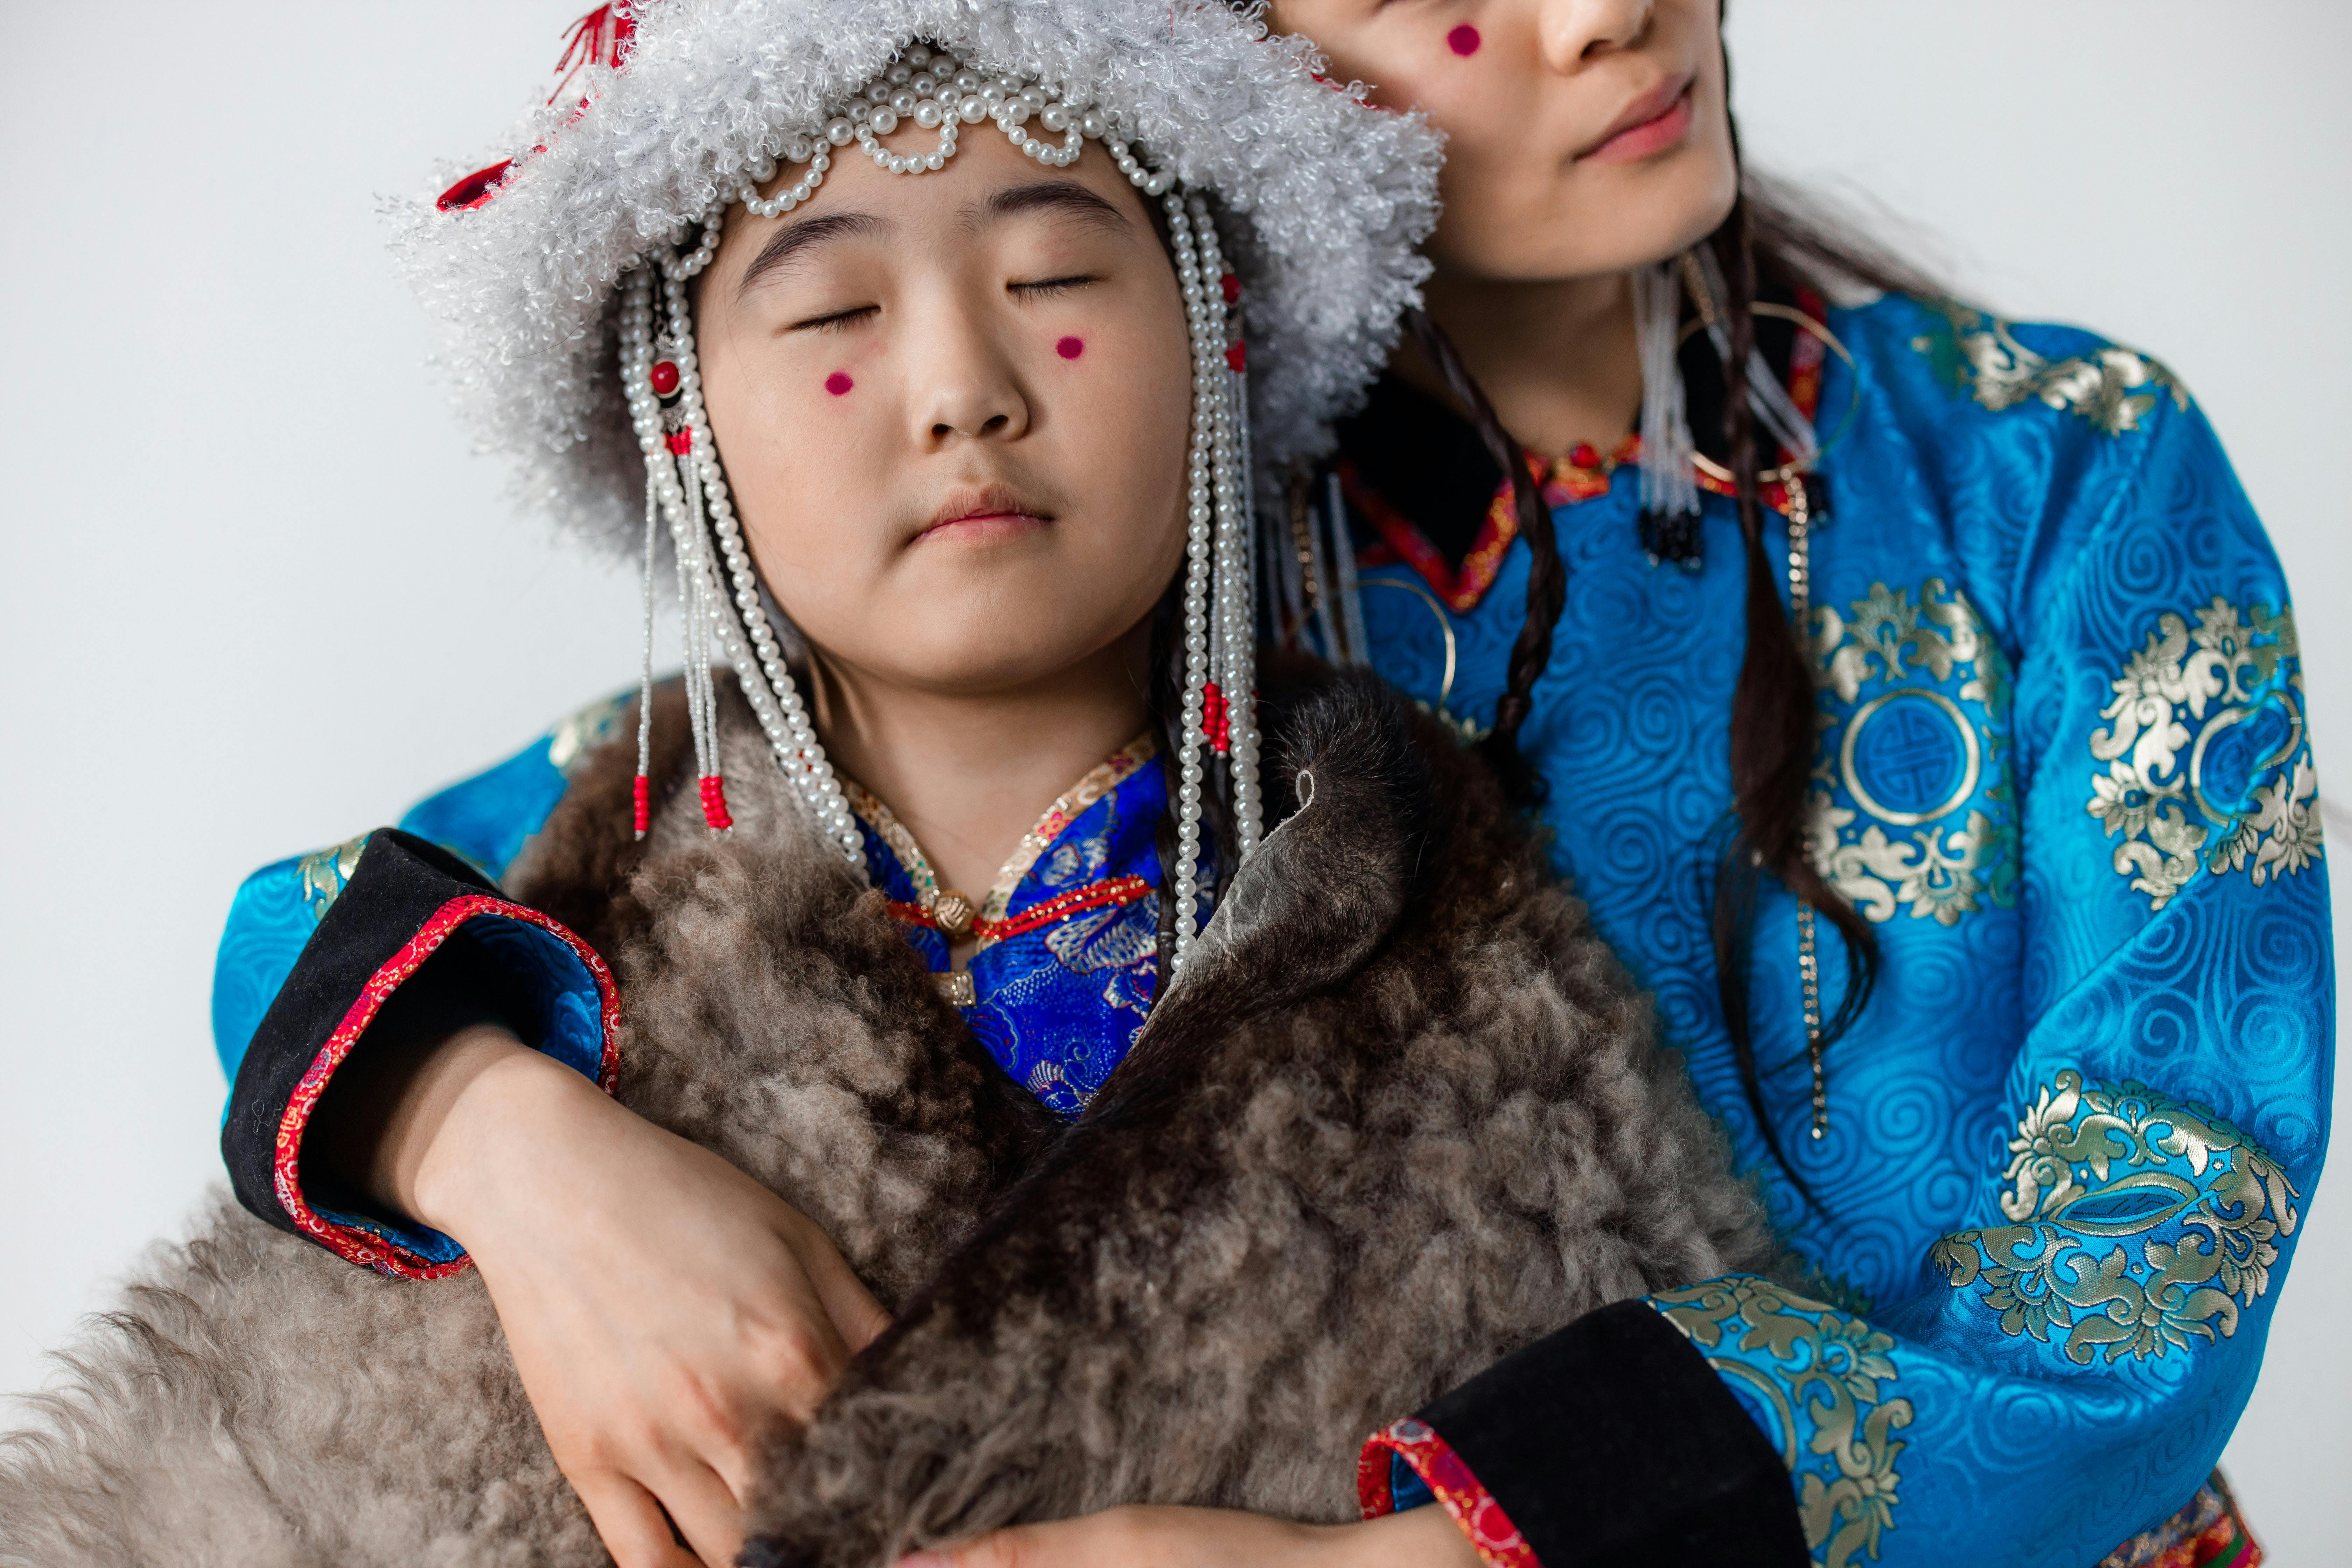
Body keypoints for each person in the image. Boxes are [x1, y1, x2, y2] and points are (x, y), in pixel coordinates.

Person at [200, 4, 2325, 1568]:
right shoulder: (1142, 531)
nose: (1603, 20)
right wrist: (506, 1140)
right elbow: (372, 898)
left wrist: (1444, 1561)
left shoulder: (2063, 468)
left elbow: (2166, 1215)